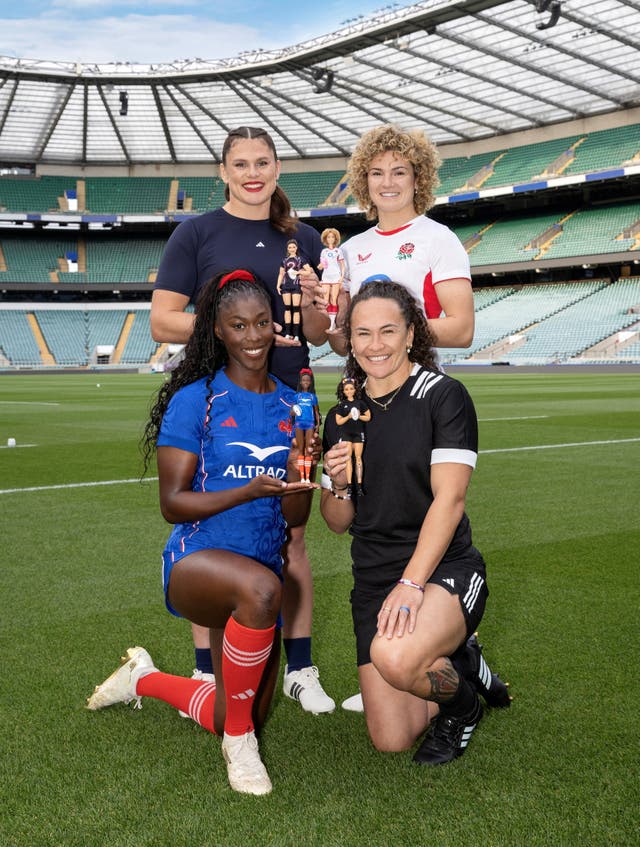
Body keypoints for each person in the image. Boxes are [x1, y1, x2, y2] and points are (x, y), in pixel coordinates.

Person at [87, 270, 319, 796]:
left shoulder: (293, 406)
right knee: (262, 595)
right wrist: (248, 491)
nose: (254, 337)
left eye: (262, 323)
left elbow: (298, 517)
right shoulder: (197, 400)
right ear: (218, 331)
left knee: (234, 710)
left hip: (258, 574)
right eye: (239, 326)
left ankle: (141, 679)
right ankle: (240, 751)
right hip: (197, 563)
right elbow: (172, 504)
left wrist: (305, 465)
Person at [149, 125, 334, 715]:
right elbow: (161, 321)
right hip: (218, 395)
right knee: (211, 525)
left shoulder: (302, 238)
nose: (253, 173)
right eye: (240, 163)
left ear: (277, 170)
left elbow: (318, 332)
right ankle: (206, 673)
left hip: (290, 398)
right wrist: (227, 327)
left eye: (263, 162)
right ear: (224, 172)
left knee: (293, 536)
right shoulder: (196, 232)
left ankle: (300, 668)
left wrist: (309, 309)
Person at [320, 281, 510, 765]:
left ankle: (464, 709)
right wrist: (340, 484)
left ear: (411, 335)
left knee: (396, 657)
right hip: (373, 577)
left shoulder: (443, 395)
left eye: (388, 331)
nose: (375, 345)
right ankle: (461, 662)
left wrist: (410, 583)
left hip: (442, 569)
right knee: (392, 738)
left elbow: (450, 499)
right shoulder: (341, 415)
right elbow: (337, 522)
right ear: (350, 339)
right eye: (362, 333)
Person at [325, 124, 474, 356]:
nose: (387, 183)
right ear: (365, 181)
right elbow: (342, 347)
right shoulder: (349, 249)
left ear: (417, 180)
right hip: (361, 387)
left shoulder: (439, 238)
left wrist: (385, 332)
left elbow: (462, 331)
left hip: (418, 383)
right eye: (376, 173)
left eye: (399, 172)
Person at [332, 377, 370, 497]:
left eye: (351, 388)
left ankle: (359, 486)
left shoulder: (360, 403)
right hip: (346, 434)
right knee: (348, 458)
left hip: (359, 433)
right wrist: (348, 417)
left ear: (355, 390)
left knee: (358, 458)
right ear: (343, 391)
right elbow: (338, 421)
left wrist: (358, 416)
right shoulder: (342, 405)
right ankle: (350, 486)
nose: (349, 391)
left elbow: (368, 417)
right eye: (346, 389)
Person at [277, 239, 313, 341]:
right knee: (288, 308)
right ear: (287, 249)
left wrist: (298, 273)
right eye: (290, 247)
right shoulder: (284, 261)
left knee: (296, 309)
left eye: (293, 247)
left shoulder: (301, 259)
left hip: (296, 285)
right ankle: (288, 333)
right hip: (285, 286)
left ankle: (296, 334)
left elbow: (308, 271)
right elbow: (281, 274)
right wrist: (278, 285)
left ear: (296, 248)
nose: (292, 249)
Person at [291, 368, 321, 483]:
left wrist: (317, 425)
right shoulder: (297, 396)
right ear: (300, 382)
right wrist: (295, 411)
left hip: (309, 424)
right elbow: (291, 412)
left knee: (308, 449)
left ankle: (307, 478)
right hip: (299, 424)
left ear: (310, 382)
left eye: (308, 380)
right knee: (300, 449)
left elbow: (316, 412)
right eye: (304, 380)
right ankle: (302, 477)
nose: (306, 382)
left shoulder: (313, 396)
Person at [317, 228, 345, 329]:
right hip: (326, 277)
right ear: (325, 238)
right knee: (325, 299)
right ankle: (327, 320)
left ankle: (332, 323)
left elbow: (342, 265)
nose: (330, 239)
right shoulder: (324, 251)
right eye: (328, 237)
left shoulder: (338, 251)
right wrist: (320, 266)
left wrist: (342, 277)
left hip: (336, 276)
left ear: (336, 238)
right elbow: (323, 263)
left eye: (332, 237)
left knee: (334, 299)